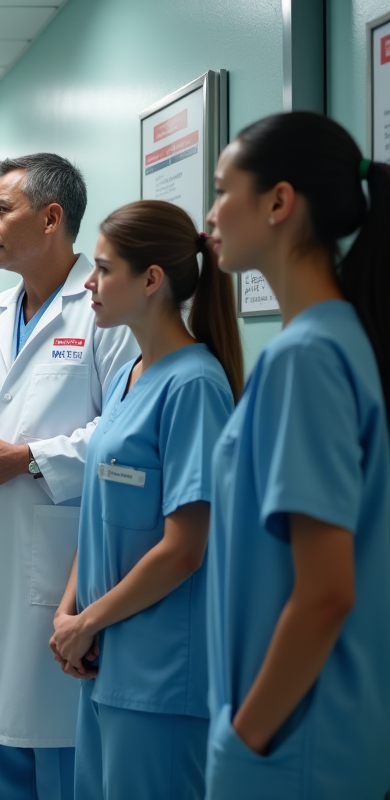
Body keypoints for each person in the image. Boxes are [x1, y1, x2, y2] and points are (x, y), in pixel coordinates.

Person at [0, 154, 138, 800]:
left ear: (52, 218)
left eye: (0, 210)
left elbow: (123, 433)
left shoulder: (104, 314)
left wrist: (24, 458)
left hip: (60, 560)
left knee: (59, 757)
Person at [201, 111, 390, 799]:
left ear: (279, 202)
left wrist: (245, 741)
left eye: (223, 190)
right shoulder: (337, 338)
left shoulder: (305, 358)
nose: (212, 214)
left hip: (294, 748)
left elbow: (325, 593)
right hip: (318, 735)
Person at [46, 200, 243, 799]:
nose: (89, 283)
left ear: (151, 280)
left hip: (161, 677)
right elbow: (102, 506)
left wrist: (88, 623)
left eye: (104, 269)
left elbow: (185, 548)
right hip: (104, 660)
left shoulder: (195, 386)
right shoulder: (132, 372)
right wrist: (67, 612)